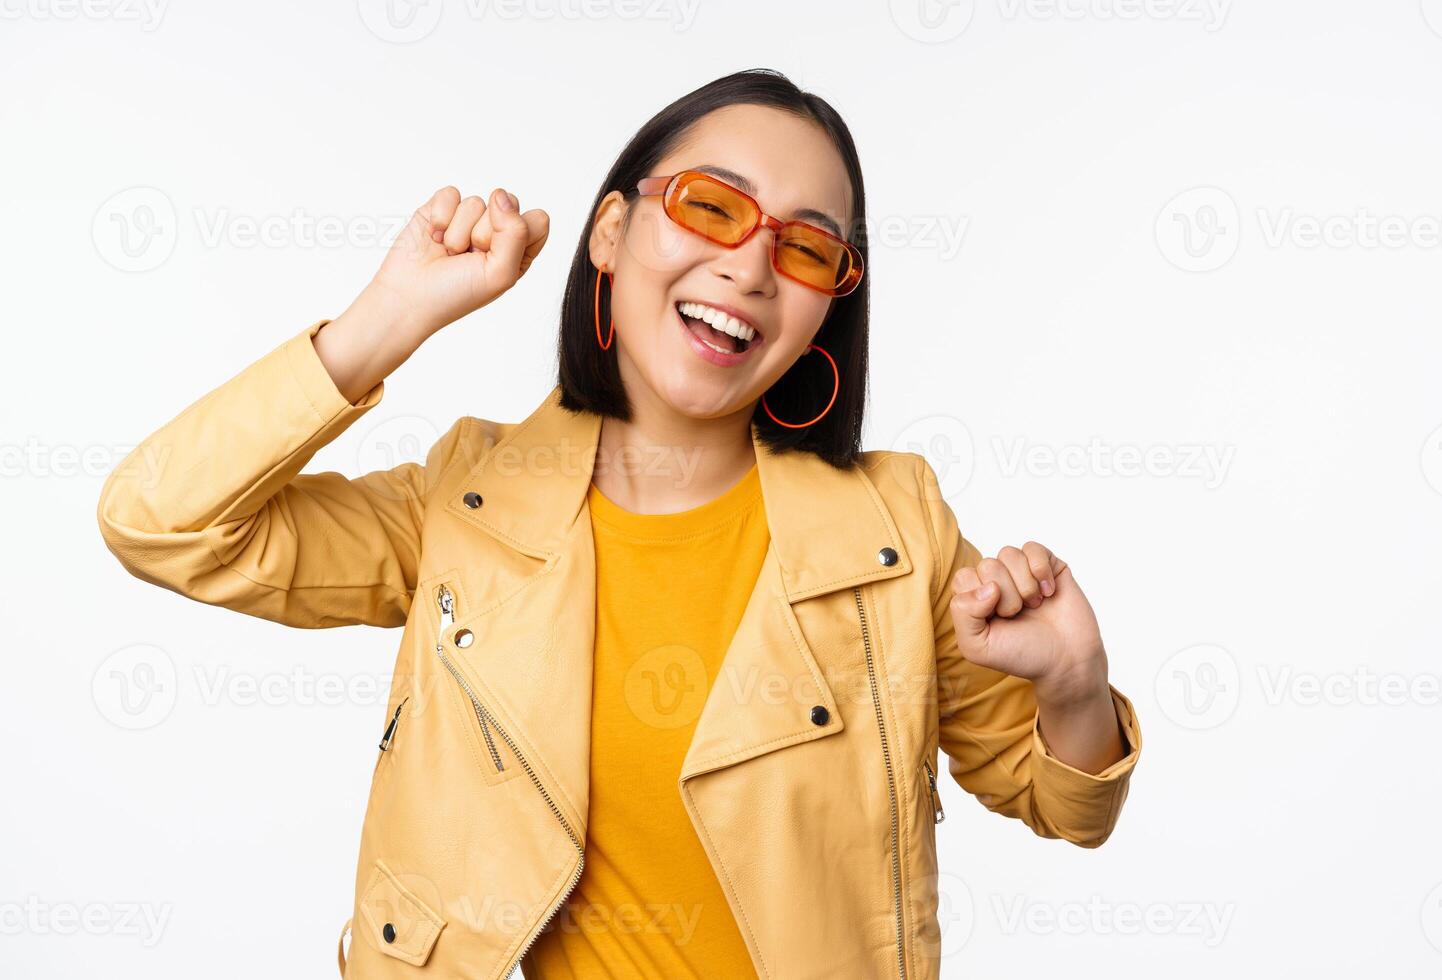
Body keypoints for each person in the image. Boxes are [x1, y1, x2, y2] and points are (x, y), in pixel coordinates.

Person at [97, 68, 1142, 979]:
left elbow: (1067, 805)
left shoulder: (894, 526)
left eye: (810, 249)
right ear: (609, 230)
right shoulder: (465, 505)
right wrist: (389, 318)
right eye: (712, 206)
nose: (751, 266)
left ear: (831, 306)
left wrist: (1075, 685)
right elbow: (162, 520)